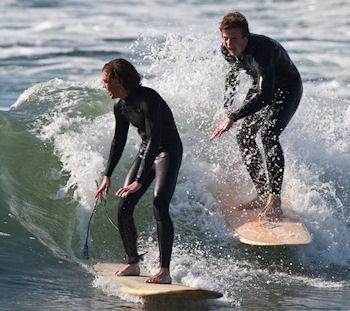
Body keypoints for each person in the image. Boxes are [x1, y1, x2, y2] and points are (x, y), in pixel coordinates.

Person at [95, 58, 183, 284]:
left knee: (160, 203)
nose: (104, 86)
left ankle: (164, 271)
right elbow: (119, 140)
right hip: (147, 151)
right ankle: (133, 263)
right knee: (124, 206)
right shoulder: (121, 107)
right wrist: (107, 175)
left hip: (167, 151)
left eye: (107, 82)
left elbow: (155, 139)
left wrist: (140, 180)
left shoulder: (148, 98)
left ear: (119, 80)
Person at [211, 12, 302, 221]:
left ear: (246, 37)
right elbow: (233, 73)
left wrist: (234, 116)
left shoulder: (262, 51)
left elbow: (267, 94)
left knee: (269, 135)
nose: (228, 43)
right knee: (244, 136)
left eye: (233, 38)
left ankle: (274, 200)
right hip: (262, 87)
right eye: (224, 38)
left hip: (287, 89)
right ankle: (262, 194)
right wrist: (228, 104)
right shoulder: (227, 50)